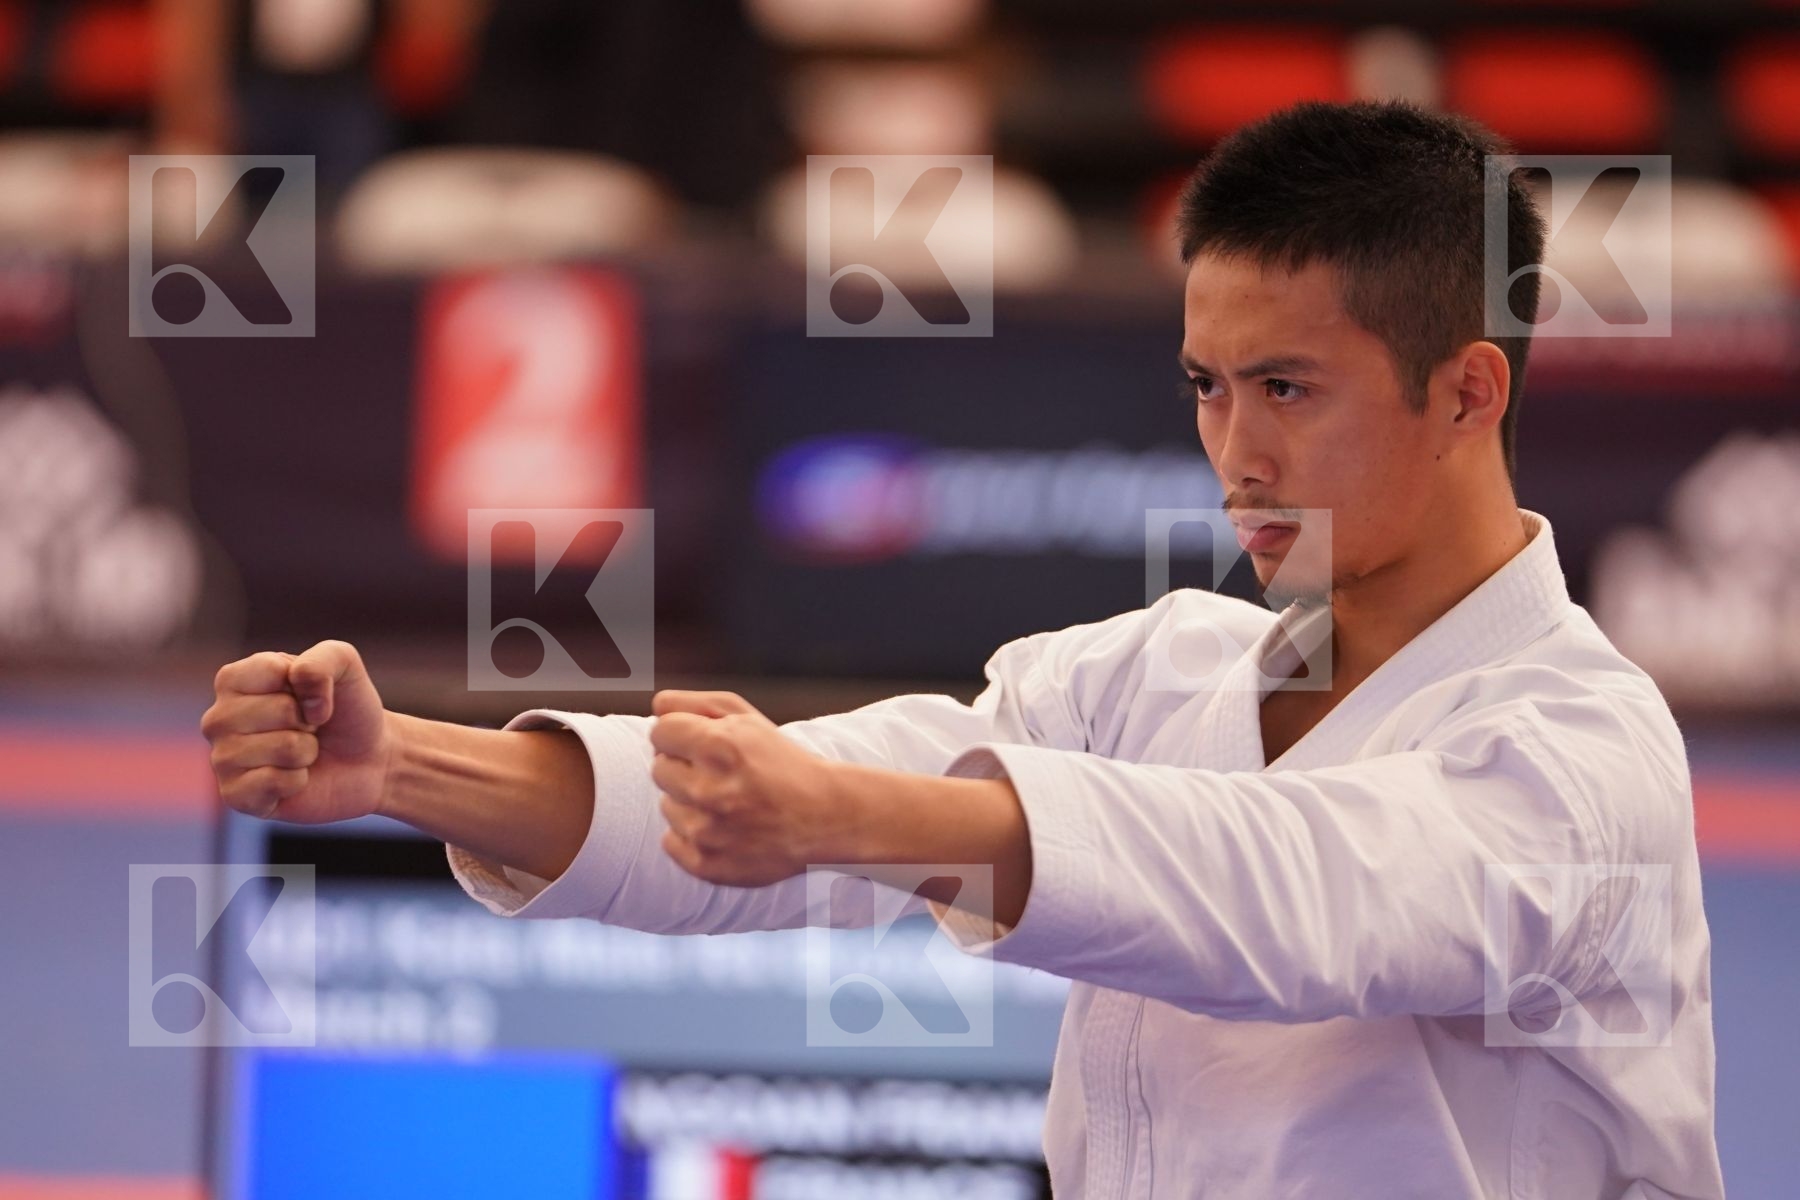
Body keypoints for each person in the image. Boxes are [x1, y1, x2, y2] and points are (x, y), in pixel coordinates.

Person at [201, 99, 1723, 1197]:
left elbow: (1295, 890)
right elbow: (776, 813)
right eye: (1206, 385)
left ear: (1468, 391)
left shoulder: (1582, 756)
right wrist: (403, 760)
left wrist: (845, 817)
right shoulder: (1155, 674)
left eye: (1287, 388)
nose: (1234, 454)